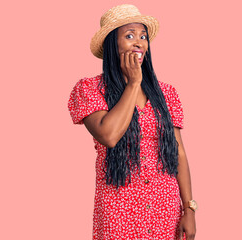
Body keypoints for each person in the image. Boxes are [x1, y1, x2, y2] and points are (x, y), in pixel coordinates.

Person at [68, 4, 197, 240]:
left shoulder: (166, 94)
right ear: (112, 45)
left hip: (164, 208)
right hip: (118, 208)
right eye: (129, 36)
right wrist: (133, 83)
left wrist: (189, 208)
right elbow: (108, 135)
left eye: (143, 36)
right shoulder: (90, 89)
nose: (139, 42)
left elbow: (178, 152)